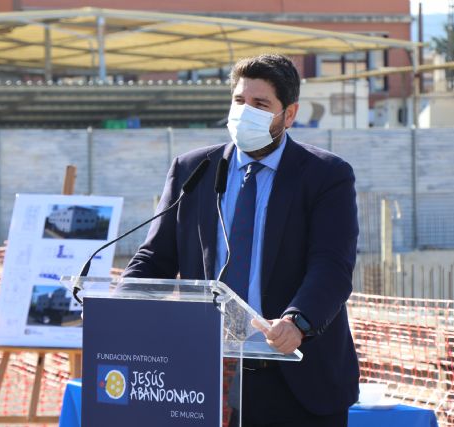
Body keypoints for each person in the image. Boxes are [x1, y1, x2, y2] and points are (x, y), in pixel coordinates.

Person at [123, 54, 359, 427]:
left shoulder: (325, 176)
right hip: (203, 376)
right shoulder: (194, 170)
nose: (245, 112)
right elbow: (156, 257)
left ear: (289, 114)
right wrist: (117, 302)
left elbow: (331, 266)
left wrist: (297, 322)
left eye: (260, 104)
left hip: (296, 377)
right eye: (239, 101)